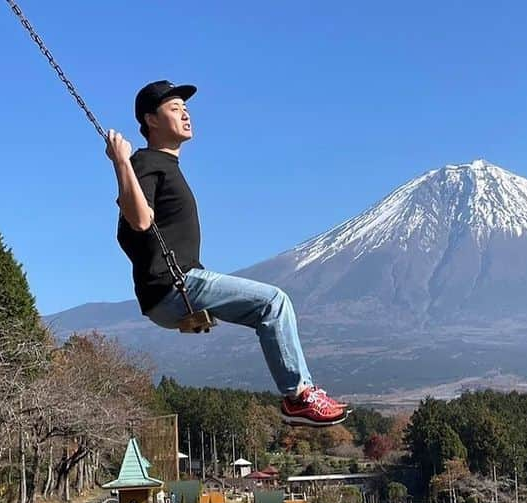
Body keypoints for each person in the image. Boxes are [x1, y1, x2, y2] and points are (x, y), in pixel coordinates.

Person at [105, 80, 348, 427]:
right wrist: (121, 162)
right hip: (176, 285)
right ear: (151, 120)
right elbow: (139, 220)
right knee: (273, 302)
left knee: (264, 315)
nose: (185, 113)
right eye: (174, 109)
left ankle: (298, 395)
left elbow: (128, 234)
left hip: (171, 290)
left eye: (186, 108)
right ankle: (298, 397)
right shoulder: (144, 161)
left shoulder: (165, 165)